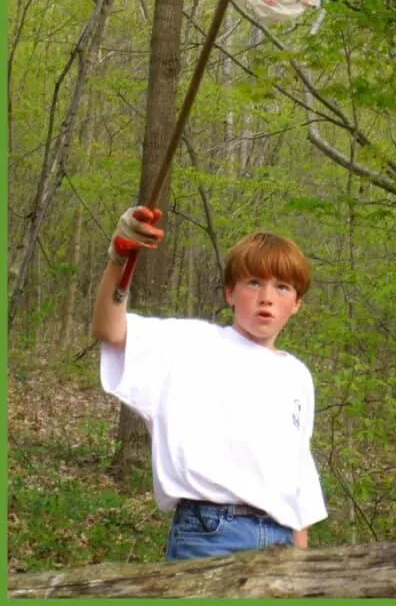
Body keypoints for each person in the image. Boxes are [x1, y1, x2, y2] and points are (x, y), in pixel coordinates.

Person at [91, 206, 327, 561]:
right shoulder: (190, 344)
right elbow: (109, 329)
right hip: (210, 534)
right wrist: (119, 260)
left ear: (296, 304)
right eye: (253, 282)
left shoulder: (298, 376)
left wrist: (302, 556)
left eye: (282, 287)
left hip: (282, 542)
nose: (267, 296)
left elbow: (298, 474)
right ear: (230, 293)